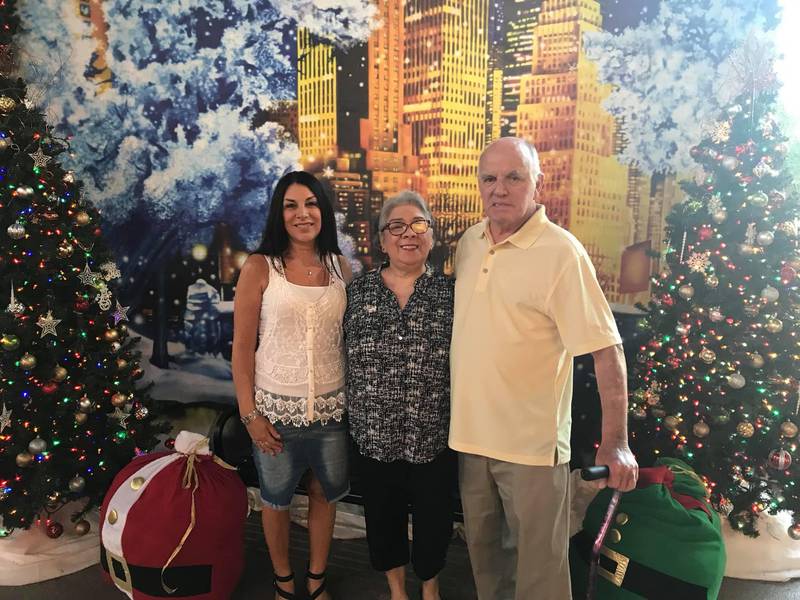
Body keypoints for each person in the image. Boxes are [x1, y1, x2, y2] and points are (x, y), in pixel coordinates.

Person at [448, 137, 639, 600]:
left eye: (514, 177)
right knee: (486, 567)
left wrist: (616, 443)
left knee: (540, 580)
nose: (500, 189)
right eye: (489, 178)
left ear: (537, 183)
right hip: (470, 441)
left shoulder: (561, 252)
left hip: (531, 449)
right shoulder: (469, 243)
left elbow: (606, 349)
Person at [232, 170, 353, 600]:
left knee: (325, 495)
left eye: (311, 204)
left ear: (323, 210)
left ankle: (317, 576)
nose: (303, 214)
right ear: (279, 215)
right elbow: (243, 349)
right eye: (291, 205)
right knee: (276, 499)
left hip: (331, 410)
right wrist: (250, 416)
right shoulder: (261, 267)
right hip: (273, 411)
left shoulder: (342, 267)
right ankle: (284, 578)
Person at [344, 191, 455, 600]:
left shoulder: (452, 295)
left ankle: (430, 587)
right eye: (397, 226)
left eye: (418, 224)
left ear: (431, 233)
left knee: (434, 520)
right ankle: (396, 591)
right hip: (374, 433)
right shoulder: (357, 293)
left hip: (435, 434)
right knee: (383, 519)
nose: (408, 234)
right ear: (381, 239)